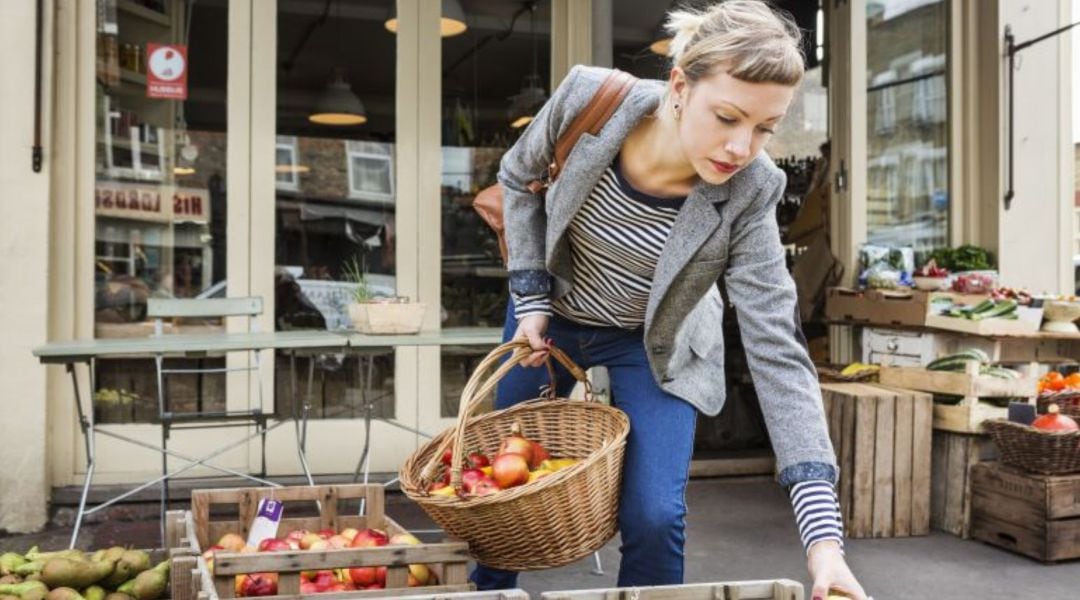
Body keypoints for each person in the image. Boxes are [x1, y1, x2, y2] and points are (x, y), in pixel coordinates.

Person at [474, 2, 868, 599]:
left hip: (659, 342)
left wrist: (824, 547)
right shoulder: (590, 98)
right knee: (500, 489)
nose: (742, 147)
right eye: (728, 117)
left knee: (656, 516)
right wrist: (530, 294)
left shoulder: (753, 189)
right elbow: (517, 178)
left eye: (765, 128)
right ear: (681, 84)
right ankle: (486, 591)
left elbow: (778, 351)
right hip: (548, 321)